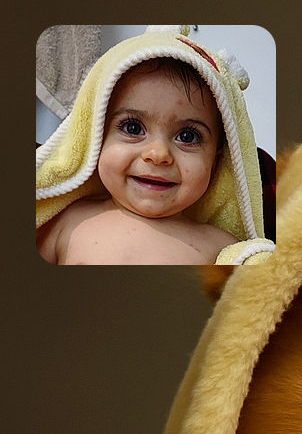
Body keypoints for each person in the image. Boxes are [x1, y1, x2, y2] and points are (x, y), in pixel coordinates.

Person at [35, 26, 274, 266]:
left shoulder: (224, 248)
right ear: (95, 135)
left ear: (217, 158)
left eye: (188, 136)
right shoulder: (66, 221)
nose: (158, 155)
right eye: (132, 128)